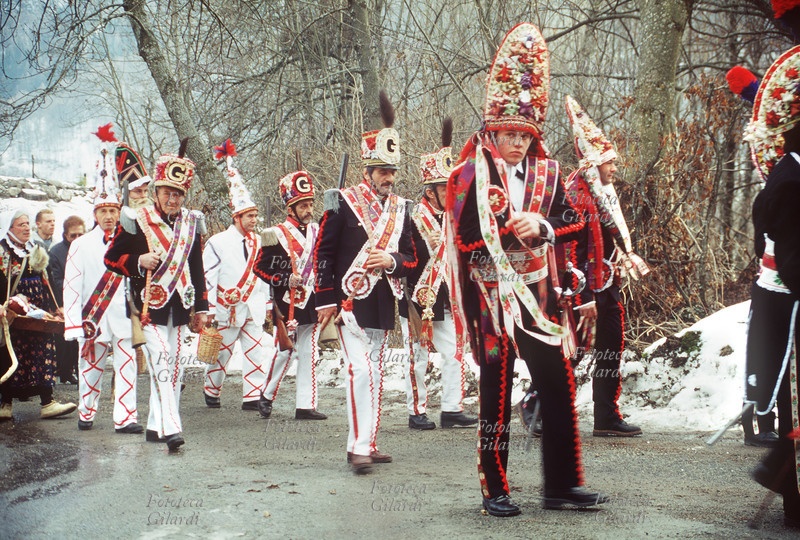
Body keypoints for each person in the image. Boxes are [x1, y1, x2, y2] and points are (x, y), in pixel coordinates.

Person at [445, 23, 607, 517]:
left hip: (537, 296)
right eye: (507, 134)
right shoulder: (467, 174)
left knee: (557, 384)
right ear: (492, 130)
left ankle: (561, 485)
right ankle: (494, 487)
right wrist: (507, 232)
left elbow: (572, 220)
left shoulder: (549, 173)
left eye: (523, 135)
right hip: (492, 296)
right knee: (495, 391)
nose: (515, 142)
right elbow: (466, 239)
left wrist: (545, 227)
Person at [315, 91, 417, 474]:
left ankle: (366, 443)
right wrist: (325, 298)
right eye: (382, 172)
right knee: (360, 369)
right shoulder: (341, 202)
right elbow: (322, 254)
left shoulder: (402, 210)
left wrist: (391, 260)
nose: (388, 179)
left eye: (392, 172)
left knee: (373, 372)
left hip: (381, 303)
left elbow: (411, 258)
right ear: (368, 171)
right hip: (347, 303)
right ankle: (359, 447)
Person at [104, 139, 208, 452]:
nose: (173, 199)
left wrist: (202, 307)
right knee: (162, 360)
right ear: (157, 192)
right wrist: (137, 262)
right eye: (167, 192)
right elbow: (110, 258)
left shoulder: (191, 223)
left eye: (178, 194)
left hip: (179, 306)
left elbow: (197, 267)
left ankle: (154, 424)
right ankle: (172, 428)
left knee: (174, 366)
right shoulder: (137, 220)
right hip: (146, 306)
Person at [742, 43, 800, 530]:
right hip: (787, 293)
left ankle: (781, 473)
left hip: (790, 290)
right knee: (791, 396)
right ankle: (788, 488)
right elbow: (781, 236)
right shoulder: (788, 177)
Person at [399, 118, 477, 431]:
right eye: (445, 188)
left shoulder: (453, 219)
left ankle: (451, 409)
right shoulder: (411, 218)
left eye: (452, 187)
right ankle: (416, 411)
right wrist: (422, 245)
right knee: (417, 356)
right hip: (418, 294)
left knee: (454, 352)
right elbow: (403, 258)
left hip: (447, 294)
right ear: (430, 191)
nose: (450, 192)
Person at [64, 136, 141, 433]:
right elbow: (71, 285)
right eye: (103, 211)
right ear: (95, 214)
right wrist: (73, 324)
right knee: (91, 371)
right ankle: (87, 412)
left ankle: (125, 418)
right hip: (92, 318)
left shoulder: (131, 239)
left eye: (113, 210)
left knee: (127, 367)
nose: (109, 216)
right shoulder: (81, 245)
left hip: (123, 317)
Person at [202, 140, 271, 411]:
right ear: (237, 217)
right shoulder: (217, 242)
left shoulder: (261, 241)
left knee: (255, 352)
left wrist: (265, 304)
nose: (254, 220)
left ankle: (252, 395)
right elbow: (208, 276)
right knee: (221, 354)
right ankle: (212, 388)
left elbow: (264, 276)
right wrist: (208, 309)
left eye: (255, 215)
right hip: (226, 307)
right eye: (249, 216)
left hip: (252, 305)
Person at [254, 169, 326, 420]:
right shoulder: (275, 234)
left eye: (310, 204)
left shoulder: (318, 230)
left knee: (308, 352)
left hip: (312, 300)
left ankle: (305, 405)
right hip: (288, 304)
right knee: (286, 350)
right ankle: (266, 394)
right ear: (291, 208)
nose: (309, 210)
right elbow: (260, 268)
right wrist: (285, 278)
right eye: (303, 205)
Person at [0, 210, 77, 420]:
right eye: (20, 224)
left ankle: (48, 402)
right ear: (10, 228)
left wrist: (56, 306)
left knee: (43, 352)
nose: (26, 228)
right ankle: (5, 404)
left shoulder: (35, 248)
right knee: (10, 355)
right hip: (12, 313)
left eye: (27, 224)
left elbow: (48, 280)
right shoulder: (3, 250)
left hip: (38, 310)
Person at [49, 215, 86, 385]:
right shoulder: (56, 252)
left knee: (83, 339)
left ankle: (79, 371)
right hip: (64, 301)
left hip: (85, 300)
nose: (77, 239)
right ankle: (65, 372)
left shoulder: (88, 249)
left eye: (80, 235)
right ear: (65, 235)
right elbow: (54, 281)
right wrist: (60, 305)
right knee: (66, 341)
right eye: (73, 236)